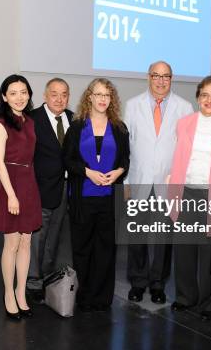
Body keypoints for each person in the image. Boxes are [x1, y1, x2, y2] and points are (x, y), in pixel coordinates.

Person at [124, 61, 193, 303]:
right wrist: (126, 183)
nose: (161, 81)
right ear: (148, 77)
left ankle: (158, 284)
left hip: (169, 184)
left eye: (166, 76)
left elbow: (186, 150)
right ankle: (137, 282)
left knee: (164, 239)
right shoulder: (132, 106)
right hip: (138, 180)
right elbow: (126, 147)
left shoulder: (184, 108)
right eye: (156, 75)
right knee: (137, 236)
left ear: (172, 79)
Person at [167, 76, 211, 320]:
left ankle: (207, 304)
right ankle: (185, 298)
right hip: (186, 192)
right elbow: (177, 157)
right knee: (183, 249)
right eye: (205, 94)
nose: (209, 100)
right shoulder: (184, 123)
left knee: (209, 252)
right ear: (198, 97)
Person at [63, 78, 130, 312]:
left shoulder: (120, 127)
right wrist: (88, 172)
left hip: (110, 199)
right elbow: (68, 160)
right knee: (82, 249)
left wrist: (119, 172)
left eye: (107, 95)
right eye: (98, 94)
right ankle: (84, 296)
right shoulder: (77, 126)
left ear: (111, 99)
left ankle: (102, 298)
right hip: (83, 197)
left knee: (106, 249)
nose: (102, 99)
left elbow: (125, 160)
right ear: (89, 97)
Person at [0, 75, 42, 321]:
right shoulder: (1, 123)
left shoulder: (31, 122)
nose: (19, 97)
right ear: (4, 96)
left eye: (24, 92)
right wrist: (11, 195)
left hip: (29, 182)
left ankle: (21, 293)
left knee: (26, 243)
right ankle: (8, 295)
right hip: (10, 184)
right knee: (11, 244)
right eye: (13, 93)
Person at [26, 78, 73, 304]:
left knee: (55, 235)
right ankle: (33, 281)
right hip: (39, 188)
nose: (59, 99)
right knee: (38, 236)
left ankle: (46, 276)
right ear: (45, 95)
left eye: (64, 94)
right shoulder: (32, 119)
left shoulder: (74, 119)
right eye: (54, 94)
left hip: (66, 188)